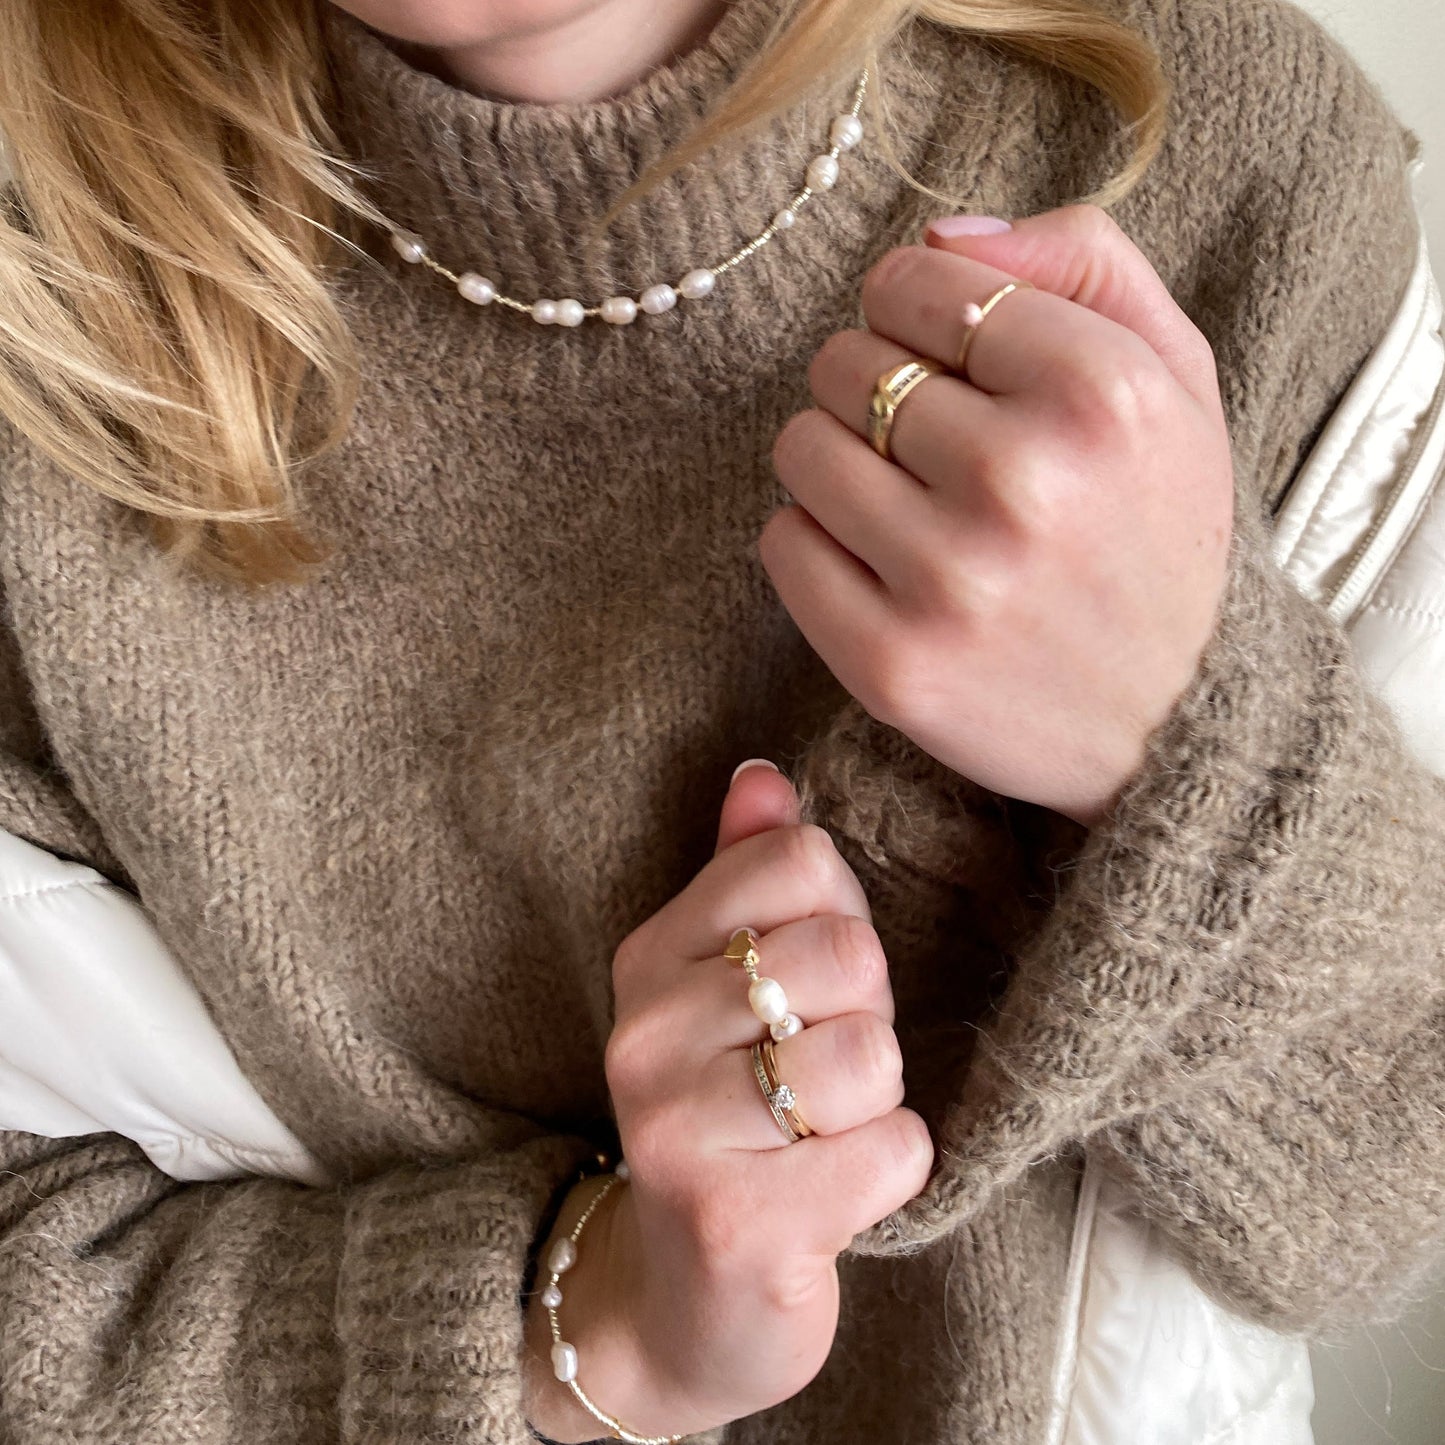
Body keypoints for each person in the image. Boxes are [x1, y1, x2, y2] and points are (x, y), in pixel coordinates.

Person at [0, 0, 1441, 1440]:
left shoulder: (1213, 158)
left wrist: (1188, 743)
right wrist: (581, 1328)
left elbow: (1385, 1185)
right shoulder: (38, 294)